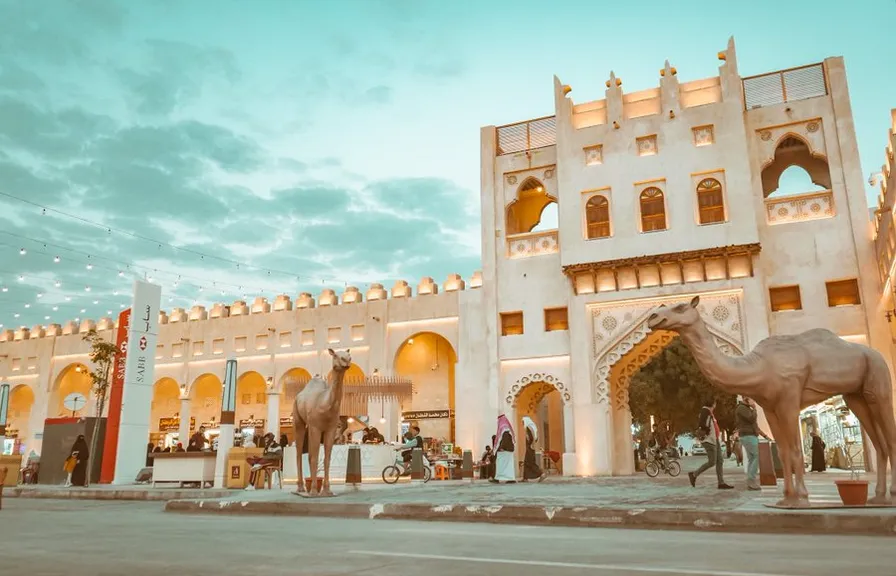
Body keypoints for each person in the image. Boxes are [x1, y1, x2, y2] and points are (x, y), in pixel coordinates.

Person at [688, 399, 734, 490]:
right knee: (712, 461)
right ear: (713, 404)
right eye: (715, 403)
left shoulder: (709, 412)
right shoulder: (705, 412)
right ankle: (694, 474)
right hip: (709, 440)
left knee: (720, 461)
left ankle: (721, 482)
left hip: (715, 439)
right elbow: (703, 425)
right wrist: (707, 432)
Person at [735, 396, 769, 490]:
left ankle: (750, 480)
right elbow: (751, 419)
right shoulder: (741, 408)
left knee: (751, 458)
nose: (754, 401)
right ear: (746, 399)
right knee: (756, 456)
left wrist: (765, 436)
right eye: (752, 399)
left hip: (751, 435)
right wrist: (754, 409)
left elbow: (755, 425)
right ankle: (751, 479)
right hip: (747, 435)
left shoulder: (746, 408)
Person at [491, 415, 516, 484]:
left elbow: (505, 439)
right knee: (508, 465)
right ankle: (510, 478)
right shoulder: (507, 428)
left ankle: (498, 478)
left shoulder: (503, 428)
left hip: (505, 450)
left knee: (500, 465)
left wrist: (502, 447)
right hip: (509, 450)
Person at [521, 416, 546, 482]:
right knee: (526, 462)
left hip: (530, 448)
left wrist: (530, 444)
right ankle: (525, 478)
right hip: (531, 447)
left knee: (530, 463)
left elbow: (531, 437)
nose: (522, 423)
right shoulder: (533, 427)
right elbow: (536, 438)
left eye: (523, 422)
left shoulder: (528, 427)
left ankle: (541, 474)